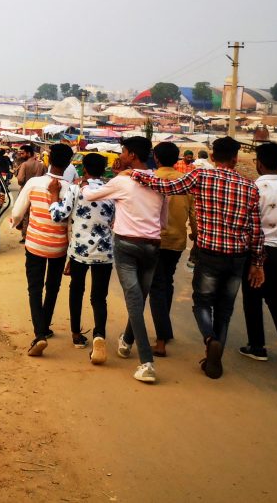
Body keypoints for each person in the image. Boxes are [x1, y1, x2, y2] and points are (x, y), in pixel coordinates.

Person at [129, 136, 264, 379]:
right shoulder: (250, 186)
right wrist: (257, 263)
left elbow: (167, 187)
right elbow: (255, 229)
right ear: (235, 159)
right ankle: (214, 358)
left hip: (210, 252)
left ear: (212, 157)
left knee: (202, 303)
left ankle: (209, 338)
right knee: (225, 308)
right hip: (238, 257)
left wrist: (137, 175)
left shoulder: (201, 176)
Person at [82, 136, 166, 384]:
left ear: (131, 155)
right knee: (139, 296)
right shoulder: (158, 181)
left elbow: (91, 195)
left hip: (127, 244)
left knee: (134, 300)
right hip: (152, 244)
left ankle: (147, 362)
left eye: (124, 152)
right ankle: (127, 341)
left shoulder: (123, 181)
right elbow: (164, 221)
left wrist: (86, 183)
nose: (122, 155)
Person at [48, 152, 115, 363]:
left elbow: (59, 215)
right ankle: (99, 335)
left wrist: (53, 196)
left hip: (79, 251)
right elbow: (113, 218)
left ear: (84, 168)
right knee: (99, 297)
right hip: (104, 253)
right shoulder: (112, 190)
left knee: (76, 290)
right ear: (104, 169)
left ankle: (77, 335)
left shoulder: (77, 189)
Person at [10, 143, 73, 356]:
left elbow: (18, 211)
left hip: (35, 243)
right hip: (59, 246)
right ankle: (45, 326)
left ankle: (39, 334)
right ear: (69, 163)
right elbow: (72, 223)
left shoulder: (35, 184)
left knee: (34, 289)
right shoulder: (72, 189)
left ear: (49, 160)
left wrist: (15, 222)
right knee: (52, 287)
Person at [238, 142, 277, 361]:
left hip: (257, 251)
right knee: (275, 295)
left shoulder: (253, 188)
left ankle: (257, 346)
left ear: (259, 163)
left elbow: (247, 223)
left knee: (252, 297)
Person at [148, 142, 197, 358]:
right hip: (177, 240)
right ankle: (164, 329)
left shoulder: (150, 179)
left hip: (154, 239)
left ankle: (161, 338)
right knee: (166, 282)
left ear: (156, 158)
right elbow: (194, 213)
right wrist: (195, 235)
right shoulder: (185, 181)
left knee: (156, 286)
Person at [14, 144, 47, 242]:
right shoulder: (41, 165)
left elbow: (20, 180)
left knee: (25, 215)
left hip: (25, 192)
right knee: (36, 214)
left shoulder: (24, 165)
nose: (21, 155)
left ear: (29, 153)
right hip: (38, 193)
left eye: (23, 153)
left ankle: (25, 236)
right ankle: (35, 235)